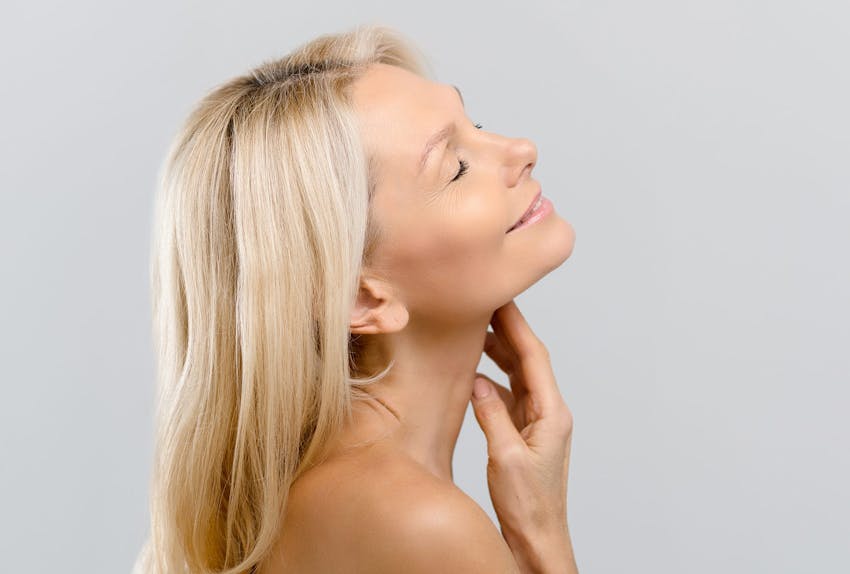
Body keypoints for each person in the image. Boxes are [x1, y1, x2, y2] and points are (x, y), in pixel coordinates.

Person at [134, 23, 578, 574]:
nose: (521, 150)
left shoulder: (330, 497)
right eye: (456, 167)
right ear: (360, 296)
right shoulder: (420, 524)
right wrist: (542, 536)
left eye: (476, 125)